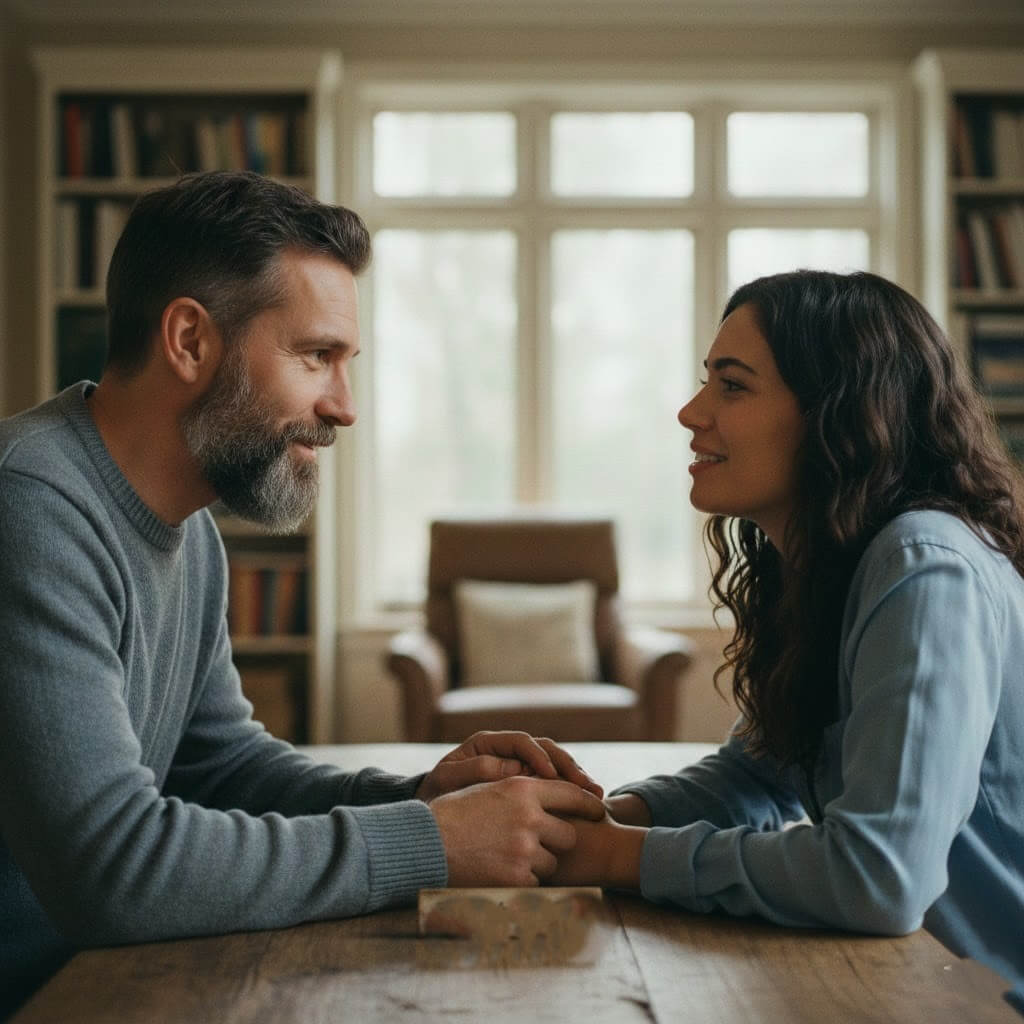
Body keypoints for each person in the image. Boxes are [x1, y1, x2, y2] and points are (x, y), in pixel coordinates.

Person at [0, 171, 605, 1018]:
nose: (344, 407)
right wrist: (430, 844)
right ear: (188, 340)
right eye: (316, 355)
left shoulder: (190, 530)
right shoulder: (30, 504)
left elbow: (220, 768)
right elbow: (114, 870)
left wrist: (422, 799)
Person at [551, 269, 1024, 991]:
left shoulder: (924, 565)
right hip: (924, 982)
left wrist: (616, 857)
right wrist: (583, 820)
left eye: (732, 386)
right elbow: (756, 773)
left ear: (841, 413)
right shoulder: (831, 560)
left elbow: (878, 878)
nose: (689, 412)